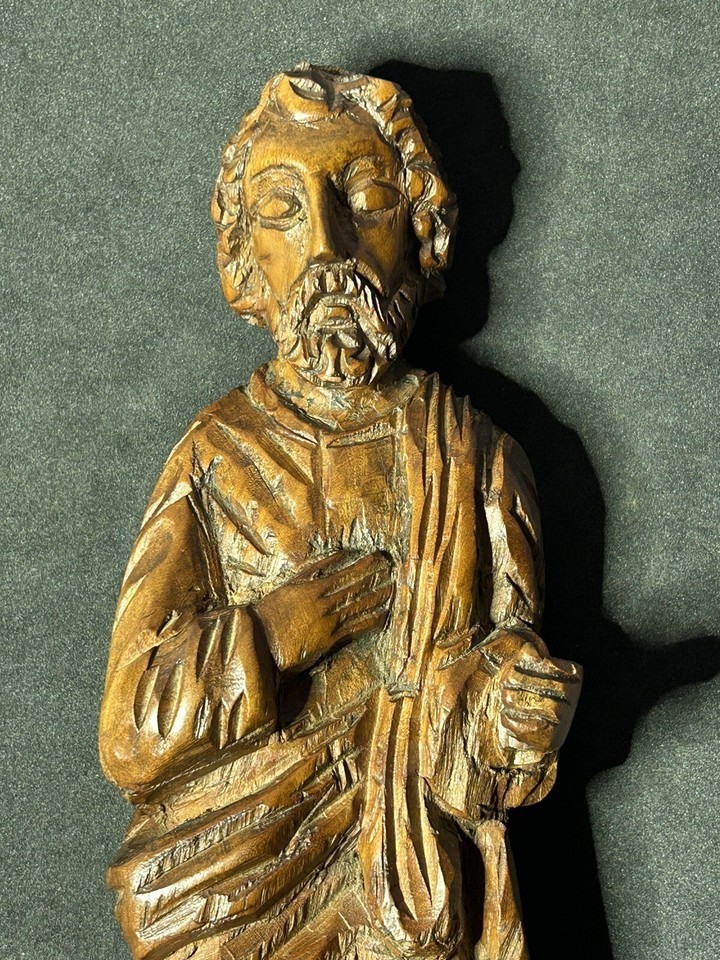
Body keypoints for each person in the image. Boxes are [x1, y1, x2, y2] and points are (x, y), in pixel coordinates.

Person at [99, 63, 581, 960]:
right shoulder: (216, 457)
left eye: (366, 200)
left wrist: (515, 713)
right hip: (229, 897)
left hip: (410, 894)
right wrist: (272, 636)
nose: (328, 245)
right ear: (246, 257)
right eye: (283, 209)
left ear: (422, 230)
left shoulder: (475, 460)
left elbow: (488, 701)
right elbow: (130, 729)